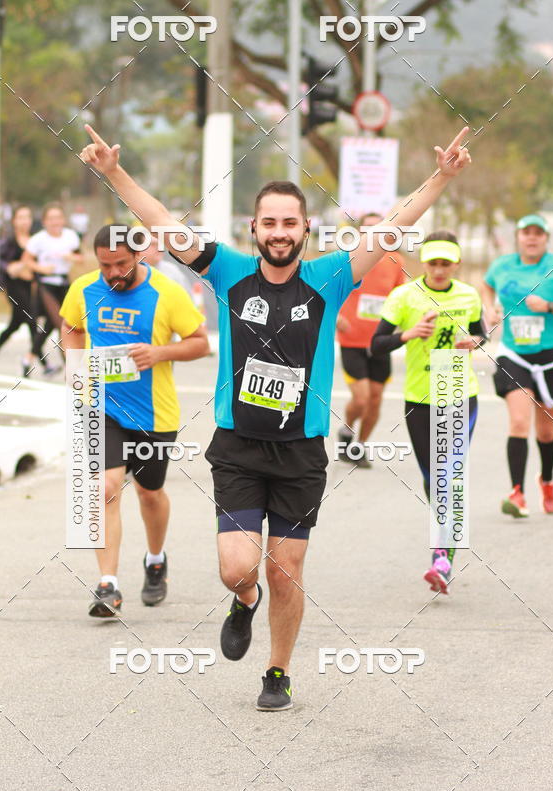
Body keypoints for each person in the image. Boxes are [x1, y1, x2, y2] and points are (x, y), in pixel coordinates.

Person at [79, 123, 471, 709]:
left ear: (305, 228)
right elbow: (163, 222)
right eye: (270, 223)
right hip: (237, 444)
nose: (280, 233)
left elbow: (391, 229)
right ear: (254, 229)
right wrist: (114, 173)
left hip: (301, 451)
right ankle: (244, 601)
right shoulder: (228, 272)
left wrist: (441, 176)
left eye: (291, 223)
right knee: (238, 569)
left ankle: (278, 670)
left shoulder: (330, 276)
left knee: (285, 570)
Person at [60, 225, 209, 618]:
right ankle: (108, 584)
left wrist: (159, 353)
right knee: (104, 487)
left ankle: (156, 559)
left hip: (152, 414)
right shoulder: (84, 288)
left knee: (149, 493)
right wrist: (73, 366)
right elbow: (71, 327)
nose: (112, 272)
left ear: (139, 256)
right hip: (99, 406)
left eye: (121, 264)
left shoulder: (166, 293)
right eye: (105, 264)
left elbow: (200, 342)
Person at [371, 232, 487, 594]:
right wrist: (408, 335)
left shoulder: (469, 295)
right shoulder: (404, 296)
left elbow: (483, 332)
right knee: (432, 478)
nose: (439, 269)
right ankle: (445, 544)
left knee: (449, 477)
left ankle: (441, 560)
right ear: (424, 263)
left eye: (446, 263)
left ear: (456, 264)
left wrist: (475, 342)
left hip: (458, 391)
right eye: (433, 262)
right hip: (419, 399)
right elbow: (376, 346)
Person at [482, 214, 553, 517]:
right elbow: (486, 284)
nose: (531, 238)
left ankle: (547, 480)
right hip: (514, 353)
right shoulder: (503, 265)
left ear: (546, 238)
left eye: (538, 234)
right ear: (518, 236)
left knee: (546, 431)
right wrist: (489, 308)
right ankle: (517, 493)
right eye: (526, 232)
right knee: (519, 422)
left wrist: (550, 307)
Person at [336, 212, 406, 467]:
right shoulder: (348, 258)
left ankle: (359, 446)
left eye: (379, 229)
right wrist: (334, 316)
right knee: (362, 398)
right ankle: (346, 428)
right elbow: (326, 288)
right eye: (368, 229)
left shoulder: (396, 261)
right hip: (351, 338)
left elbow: (403, 297)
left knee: (376, 398)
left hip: (380, 341)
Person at [23, 203, 82, 374]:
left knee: (51, 324)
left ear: (63, 220)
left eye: (58, 218)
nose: (55, 222)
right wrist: (42, 268)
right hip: (45, 284)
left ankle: (28, 358)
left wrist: (70, 256)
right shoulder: (38, 239)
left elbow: (80, 257)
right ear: (44, 221)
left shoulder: (70, 236)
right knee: (61, 322)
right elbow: (27, 260)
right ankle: (70, 365)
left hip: (63, 283)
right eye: (51, 219)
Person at [0, 205, 39, 376]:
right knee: (31, 320)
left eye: (27, 217)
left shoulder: (35, 241)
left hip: (29, 286)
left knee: (15, 324)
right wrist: (10, 267)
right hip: (14, 287)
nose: (24, 221)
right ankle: (41, 361)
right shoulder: (9, 241)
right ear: (14, 221)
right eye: (20, 217)